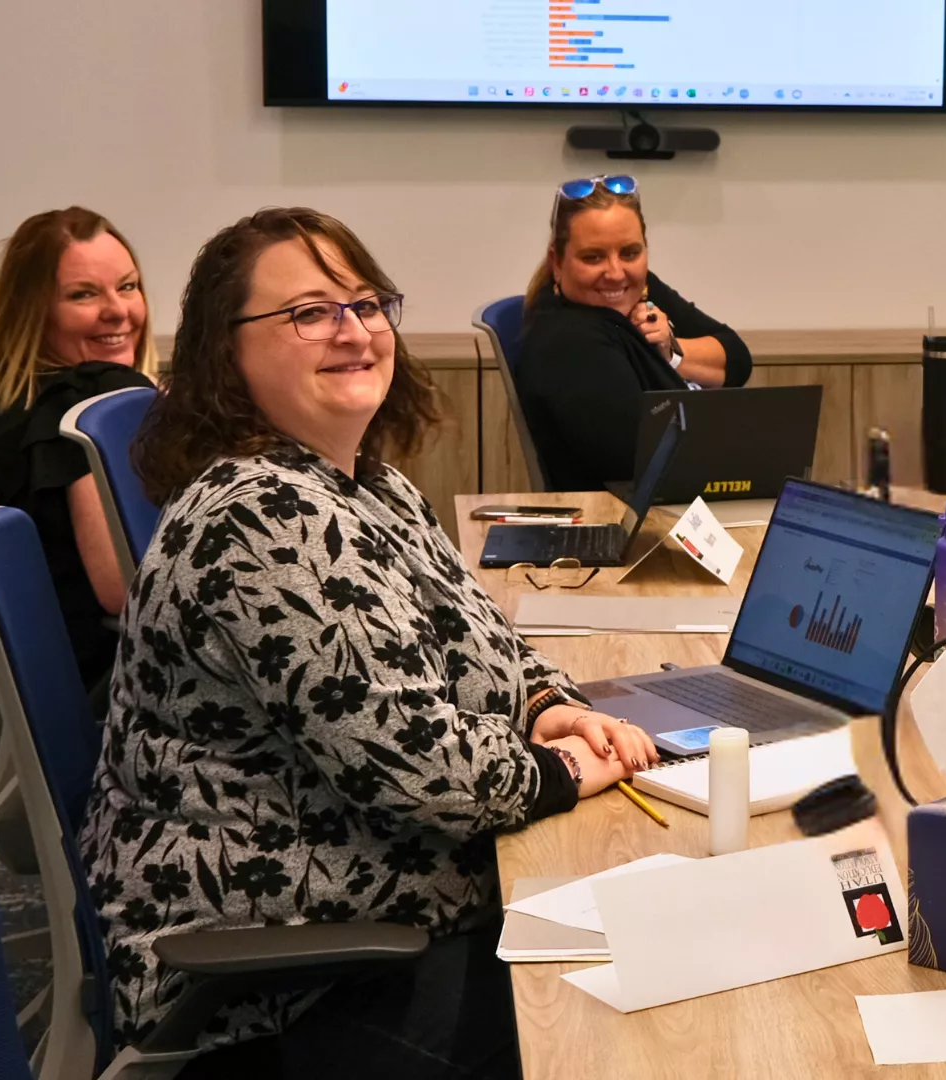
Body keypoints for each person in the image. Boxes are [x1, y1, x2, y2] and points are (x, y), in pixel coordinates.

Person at [84, 207, 660, 1078]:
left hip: (377, 906)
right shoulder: (255, 518)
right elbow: (421, 771)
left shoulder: (366, 484)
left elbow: (486, 643)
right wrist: (573, 768)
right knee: (621, 1026)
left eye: (367, 304)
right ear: (225, 354)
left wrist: (547, 707)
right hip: (284, 975)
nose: (354, 331)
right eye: (310, 312)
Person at [0, 207, 158, 692]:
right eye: (84, 294)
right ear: (34, 310)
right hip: (128, 694)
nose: (118, 310)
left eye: (128, 287)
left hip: (43, 692)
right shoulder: (99, 402)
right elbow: (126, 588)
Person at [518, 176, 751, 490]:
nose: (615, 273)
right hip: (625, 519)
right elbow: (637, 460)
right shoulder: (572, 342)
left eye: (629, 253)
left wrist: (671, 352)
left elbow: (736, 360)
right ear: (556, 262)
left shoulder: (640, 288)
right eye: (593, 257)